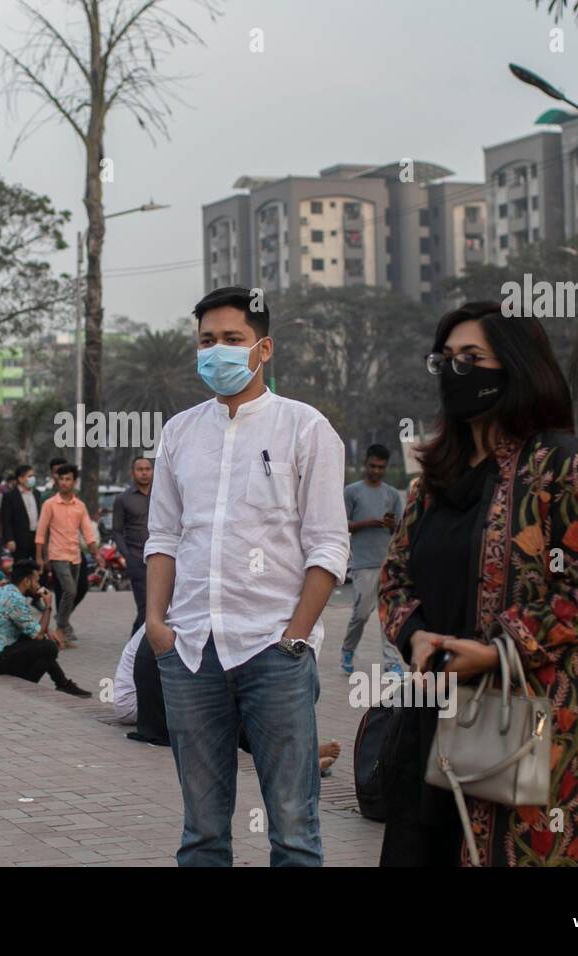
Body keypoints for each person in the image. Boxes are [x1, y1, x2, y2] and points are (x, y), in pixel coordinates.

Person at [376, 300, 578, 867]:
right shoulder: (432, 480)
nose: (454, 370)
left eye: (473, 358)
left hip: (539, 716)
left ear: (516, 366)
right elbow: (394, 579)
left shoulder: (564, 465)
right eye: (445, 359)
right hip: (437, 710)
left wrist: (495, 650)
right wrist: (416, 636)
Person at [145, 285, 350, 867]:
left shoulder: (305, 429)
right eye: (207, 341)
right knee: (203, 834)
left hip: (273, 651)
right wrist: (158, 626)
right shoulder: (180, 433)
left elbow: (328, 546)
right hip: (191, 652)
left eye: (232, 340)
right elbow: (163, 537)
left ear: (263, 348)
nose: (217, 352)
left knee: (293, 831)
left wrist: (294, 636)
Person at [0, 560, 92, 697]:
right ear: (26, 581)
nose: (38, 585)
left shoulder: (7, 592)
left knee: (42, 643)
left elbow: (30, 627)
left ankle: (62, 683)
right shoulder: (14, 599)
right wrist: (48, 606)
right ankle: (30, 682)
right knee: (47, 647)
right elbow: (38, 634)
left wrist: (47, 630)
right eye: (36, 580)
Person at [341, 444, 405, 676]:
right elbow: (340, 523)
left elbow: (403, 528)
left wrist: (392, 525)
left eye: (381, 467)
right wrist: (364, 524)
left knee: (388, 614)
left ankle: (391, 662)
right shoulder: (352, 492)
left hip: (388, 563)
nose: (376, 471)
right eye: (372, 466)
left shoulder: (392, 494)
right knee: (361, 613)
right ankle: (348, 649)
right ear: (365, 464)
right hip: (362, 563)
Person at [35, 464, 101, 645]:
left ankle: (61, 632)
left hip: (75, 556)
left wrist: (96, 553)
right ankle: (61, 626)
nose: (64, 483)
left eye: (68, 479)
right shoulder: (49, 505)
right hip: (57, 555)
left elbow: (88, 532)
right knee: (70, 590)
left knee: (72, 591)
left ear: (74, 481)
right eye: (62, 479)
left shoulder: (80, 506)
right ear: (57, 481)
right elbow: (41, 532)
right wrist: (40, 557)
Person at [112, 455, 153, 635]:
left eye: (147, 469)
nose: (144, 473)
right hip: (137, 559)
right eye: (140, 469)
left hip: (162, 559)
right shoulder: (123, 499)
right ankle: (134, 648)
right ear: (132, 473)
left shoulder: (162, 495)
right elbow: (117, 531)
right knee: (145, 607)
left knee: (162, 606)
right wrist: (127, 556)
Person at [1, 464, 41, 561]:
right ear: (20, 479)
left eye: (33, 476)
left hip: (36, 539)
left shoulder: (37, 494)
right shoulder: (10, 496)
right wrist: (10, 539)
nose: (33, 479)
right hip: (19, 540)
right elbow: (6, 520)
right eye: (30, 476)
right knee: (20, 569)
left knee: (38, 569)